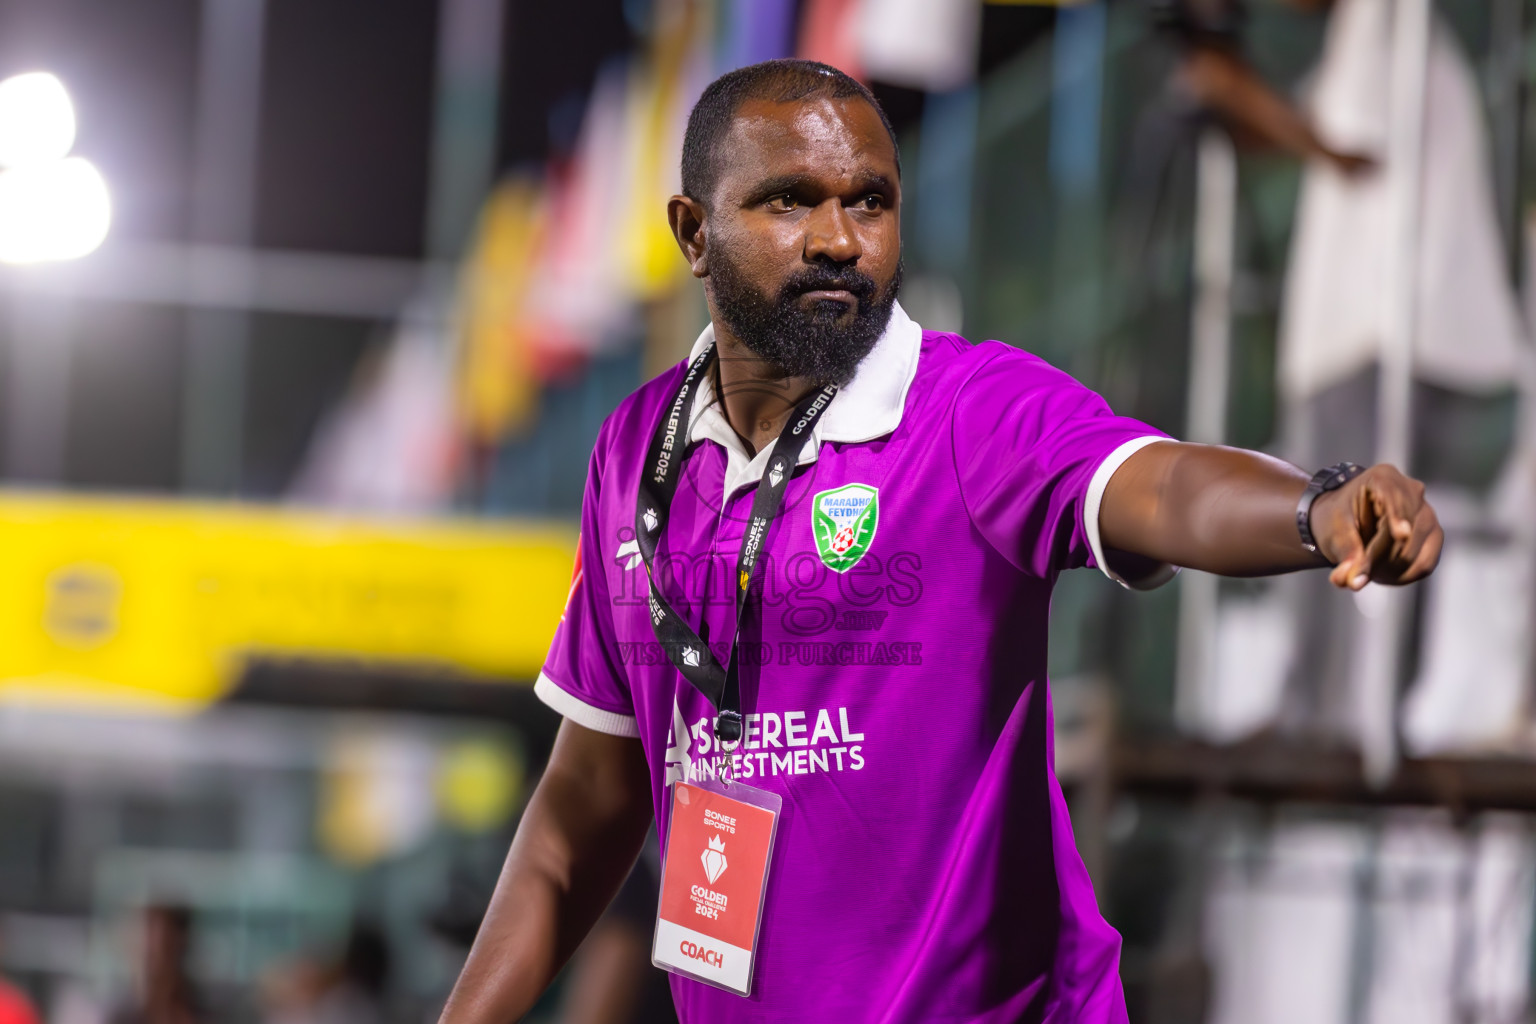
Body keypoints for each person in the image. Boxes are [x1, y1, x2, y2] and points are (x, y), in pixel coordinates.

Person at [439, 59, 1441, 1023]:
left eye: (868, 201)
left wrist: (1319, 507)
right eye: (789, 200)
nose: (839, 238)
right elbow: (579, 817)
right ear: (694, 233)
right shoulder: (636, 453)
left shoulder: (971, 412)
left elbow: (1161, 482)